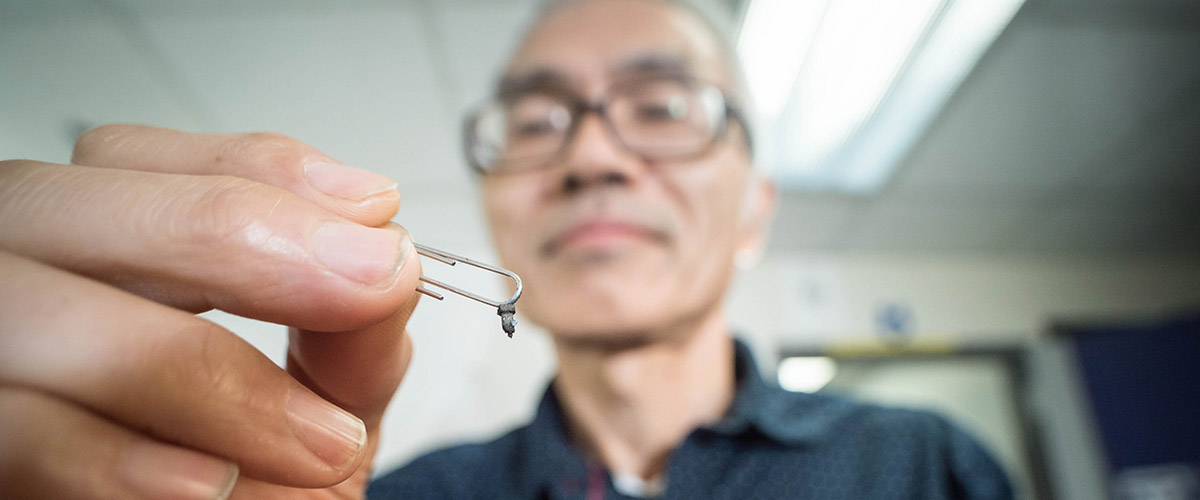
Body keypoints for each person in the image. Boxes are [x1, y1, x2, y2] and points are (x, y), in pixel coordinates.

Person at [0, 0, 1012, 499]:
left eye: (661, 106)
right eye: (536, 122)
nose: (592, 155)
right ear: (496, 207)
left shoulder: (924, 464)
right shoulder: (400, 497)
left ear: (754, 211)